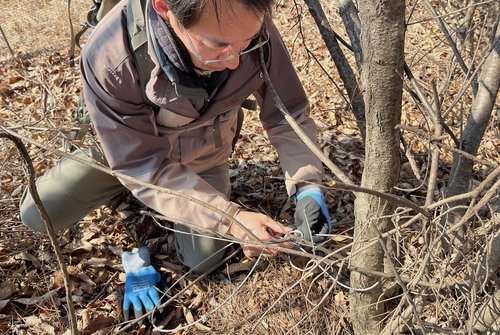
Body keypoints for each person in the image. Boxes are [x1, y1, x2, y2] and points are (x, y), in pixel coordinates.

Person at [19, 0, 331, 321]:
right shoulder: (110, 54)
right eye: (218, 45)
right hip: (125, 152)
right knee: (38, 214)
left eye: (246, 44)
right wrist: (230, 218)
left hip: (203, 154)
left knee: (204, 260)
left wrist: (308, 186)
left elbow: (287, 112)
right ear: (165, 8)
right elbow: (140, 164)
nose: (236, 60)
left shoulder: (247, 23)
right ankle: (118, 188)